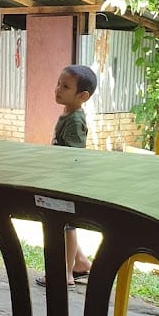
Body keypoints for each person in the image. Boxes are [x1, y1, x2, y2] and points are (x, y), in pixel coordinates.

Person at [36, 64, 98, 287]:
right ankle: (80, 262)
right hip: (60, 177)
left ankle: (64, 273)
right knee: (63, 223)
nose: (57, 89)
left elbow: (72, 156)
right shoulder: (68, 114)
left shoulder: (74, 120)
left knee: (66, 225)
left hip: (68, 180)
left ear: (82, 96)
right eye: (58, 84)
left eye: (65, 86)